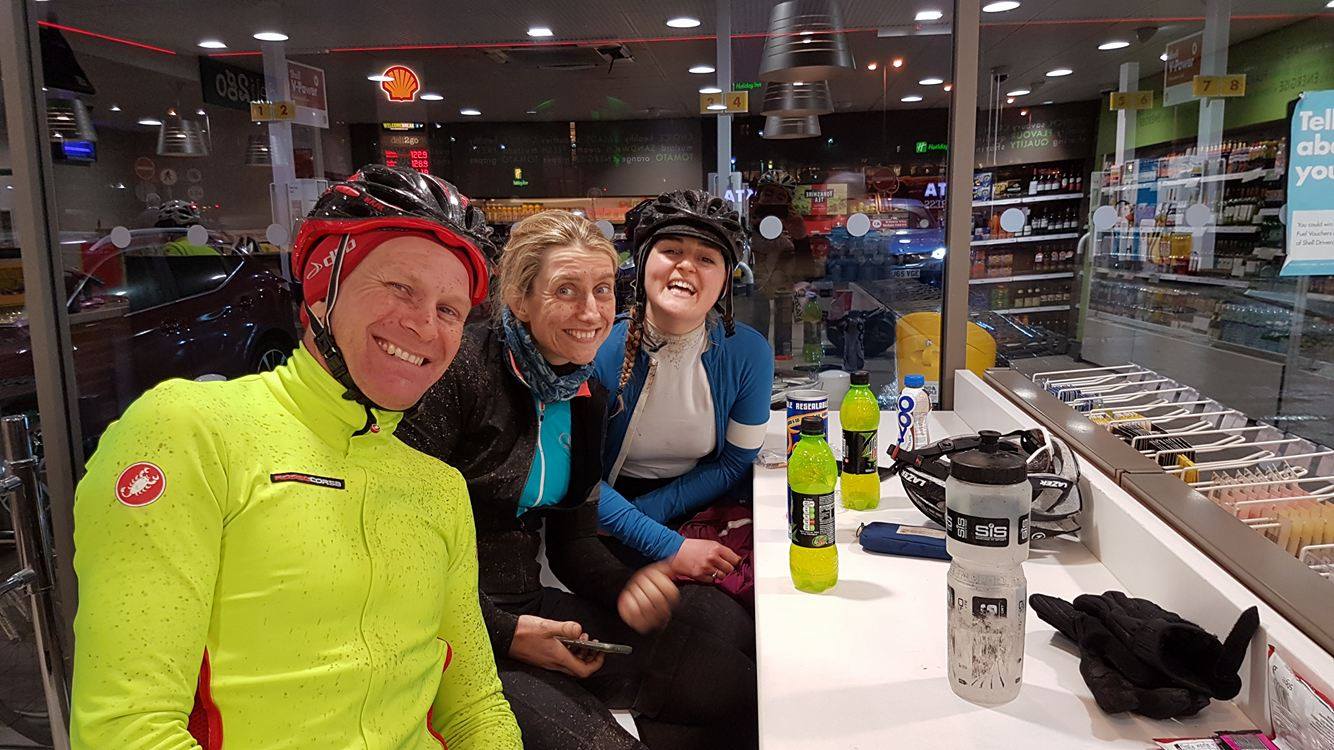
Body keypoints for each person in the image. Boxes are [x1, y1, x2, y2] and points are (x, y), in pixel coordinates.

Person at [69, 165, 521, 749]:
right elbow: (125, 728)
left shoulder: (438, 487)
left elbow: (475, 707)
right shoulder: (189, 433)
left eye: (449, 310)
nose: (423, 325)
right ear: (322, 291)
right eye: (400, 287)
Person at [399, 208, 758, 750]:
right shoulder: (461, 371)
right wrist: (508, 634)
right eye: (566, 290)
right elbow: (401, 558)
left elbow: (574, 542)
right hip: (447, 632)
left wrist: (625, 588)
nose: (591, 312)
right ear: (519, 299)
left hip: (528, 605)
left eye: (602, 290)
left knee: (732, 685)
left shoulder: (583, 392)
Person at [592, 190, 774, 574]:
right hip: (604, 514)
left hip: (705, 504)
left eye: (706, 258)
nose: (686, 266)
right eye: (671, 250)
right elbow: (577, 478)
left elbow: (735, 461)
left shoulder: (750, 353)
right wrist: (646, 531)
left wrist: (652, 514)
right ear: (643, 263)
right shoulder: (597, 348)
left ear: (725, 281)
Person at [742, 170, 810, 355]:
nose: (773, 201)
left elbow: (807, 272)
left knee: (783, 348)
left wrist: (800, 235)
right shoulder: (743, 227)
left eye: (780, 198)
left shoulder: (787, 238)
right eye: (768, 194)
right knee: (754, 346)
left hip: (782, 300)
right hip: (750, 301)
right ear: (758, 196)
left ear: (788, 204)